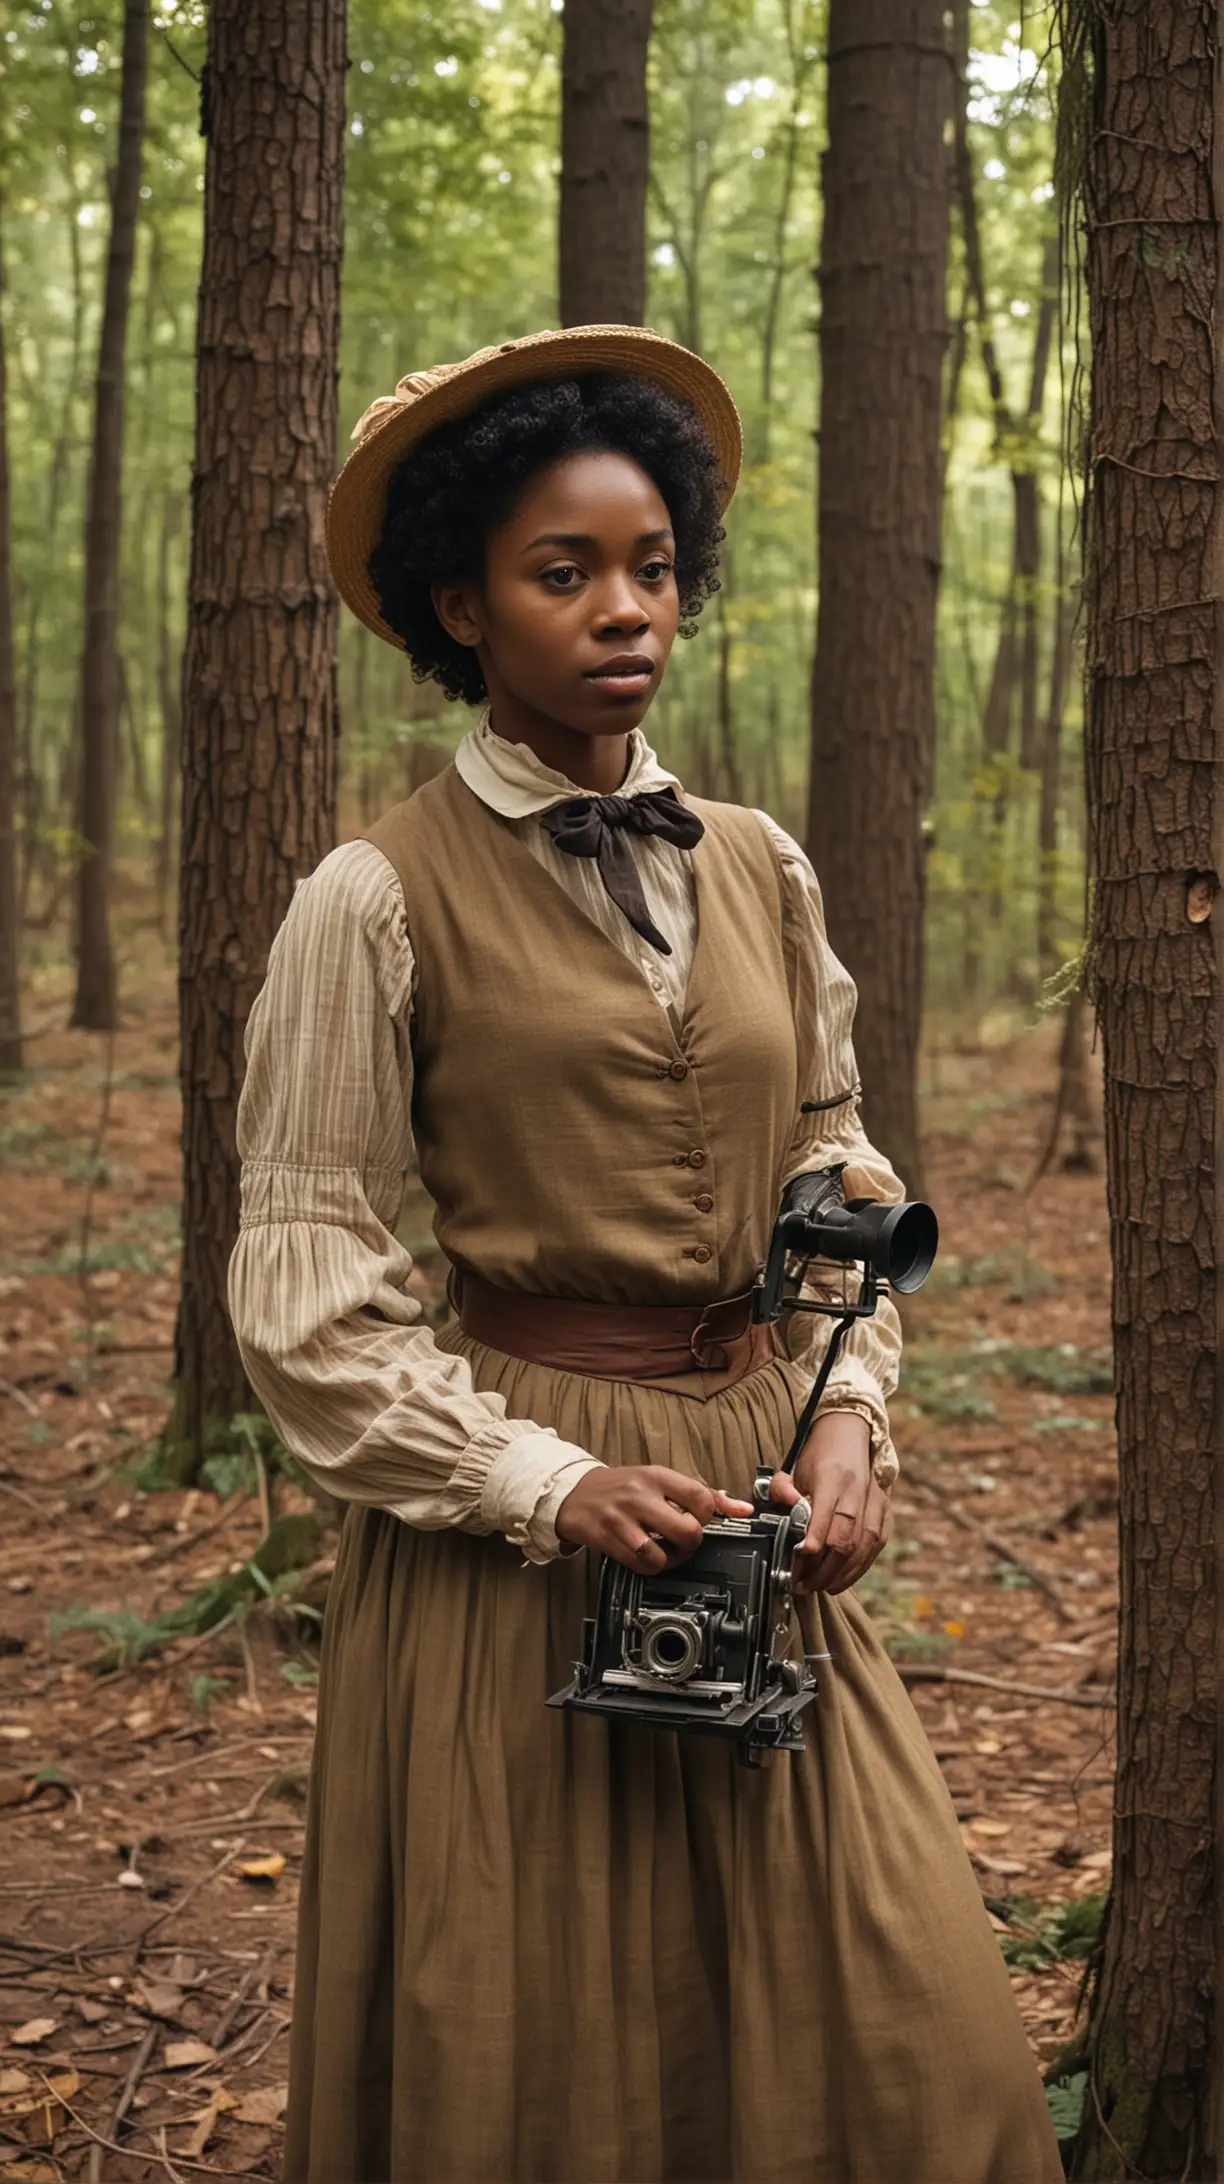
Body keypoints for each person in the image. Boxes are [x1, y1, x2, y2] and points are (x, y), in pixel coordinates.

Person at [229, 326, 1061, 2184]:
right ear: (464, 602)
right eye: (564, 571)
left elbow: (834, 1154)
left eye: (653, 567)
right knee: (545, 2039)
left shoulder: (761, 864)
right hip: (514, 1526)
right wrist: (538, 1480)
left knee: (910, 2023)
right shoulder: (370, 901)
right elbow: (307, 1288)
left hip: (762, 1493)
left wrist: (851, 1419)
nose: (627, 609)